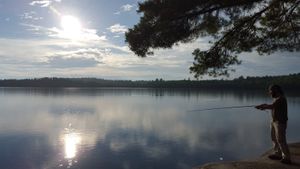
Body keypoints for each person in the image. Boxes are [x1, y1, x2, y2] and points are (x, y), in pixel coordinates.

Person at [255, 84, 291, 164]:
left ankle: (287, 158)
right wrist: (263, 106)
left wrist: (262, 106)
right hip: (274, 121)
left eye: (271, 91)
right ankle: (277, 154)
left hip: (280, 122)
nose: (269, 93)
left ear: (276, 90)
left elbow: (272, 106)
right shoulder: (276, 98)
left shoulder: (281, 98)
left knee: (281, 140)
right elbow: (272, 106)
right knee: (274, 138)